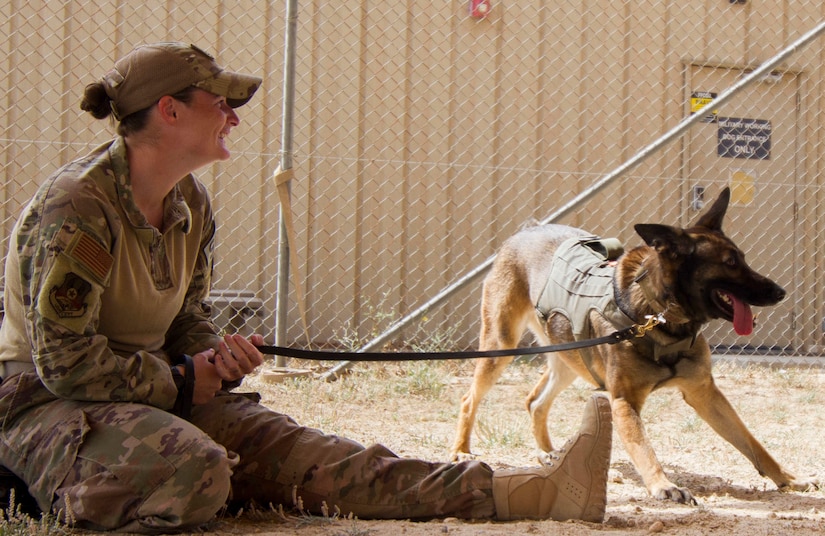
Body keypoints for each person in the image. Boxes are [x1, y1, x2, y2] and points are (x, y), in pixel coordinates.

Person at [0, 41, 613, 533]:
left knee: (313, 455)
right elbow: (65, 362)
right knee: (197, 470)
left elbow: (185, 318)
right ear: (170, 110)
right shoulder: (76, 210)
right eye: (221, 103)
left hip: (153, 393)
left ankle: (522, 492)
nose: (234, 117)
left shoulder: (189, 201)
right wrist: (183, 380)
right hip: (45, 403)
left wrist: (214, 355)